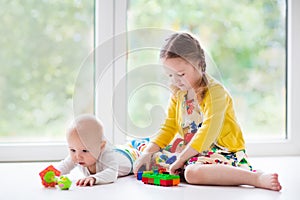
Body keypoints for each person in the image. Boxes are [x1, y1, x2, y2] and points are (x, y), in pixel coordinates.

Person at [133, 32, 282, 191]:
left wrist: (181, 159)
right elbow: (168, 127)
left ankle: (255, 177)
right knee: (148, 158)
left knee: (192, 174)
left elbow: (208, 130)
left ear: (199, 64)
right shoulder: (178, 93)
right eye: (169, 75)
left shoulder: (215, 92)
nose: (175, 80)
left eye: (181, 74)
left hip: (222, 151)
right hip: (192, 151)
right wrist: (148, 153)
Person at [56, 114, 140, 187]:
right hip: (116, 149)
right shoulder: (78, 153)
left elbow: (112, 172)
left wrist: (95, 178)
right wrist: (53, 173)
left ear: (101, 147)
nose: (78, 156)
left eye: (85, 151)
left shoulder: (107, 155)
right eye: (72, 150)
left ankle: (138, 144)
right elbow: (65, 165)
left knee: (142, 156)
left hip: (131, 156)